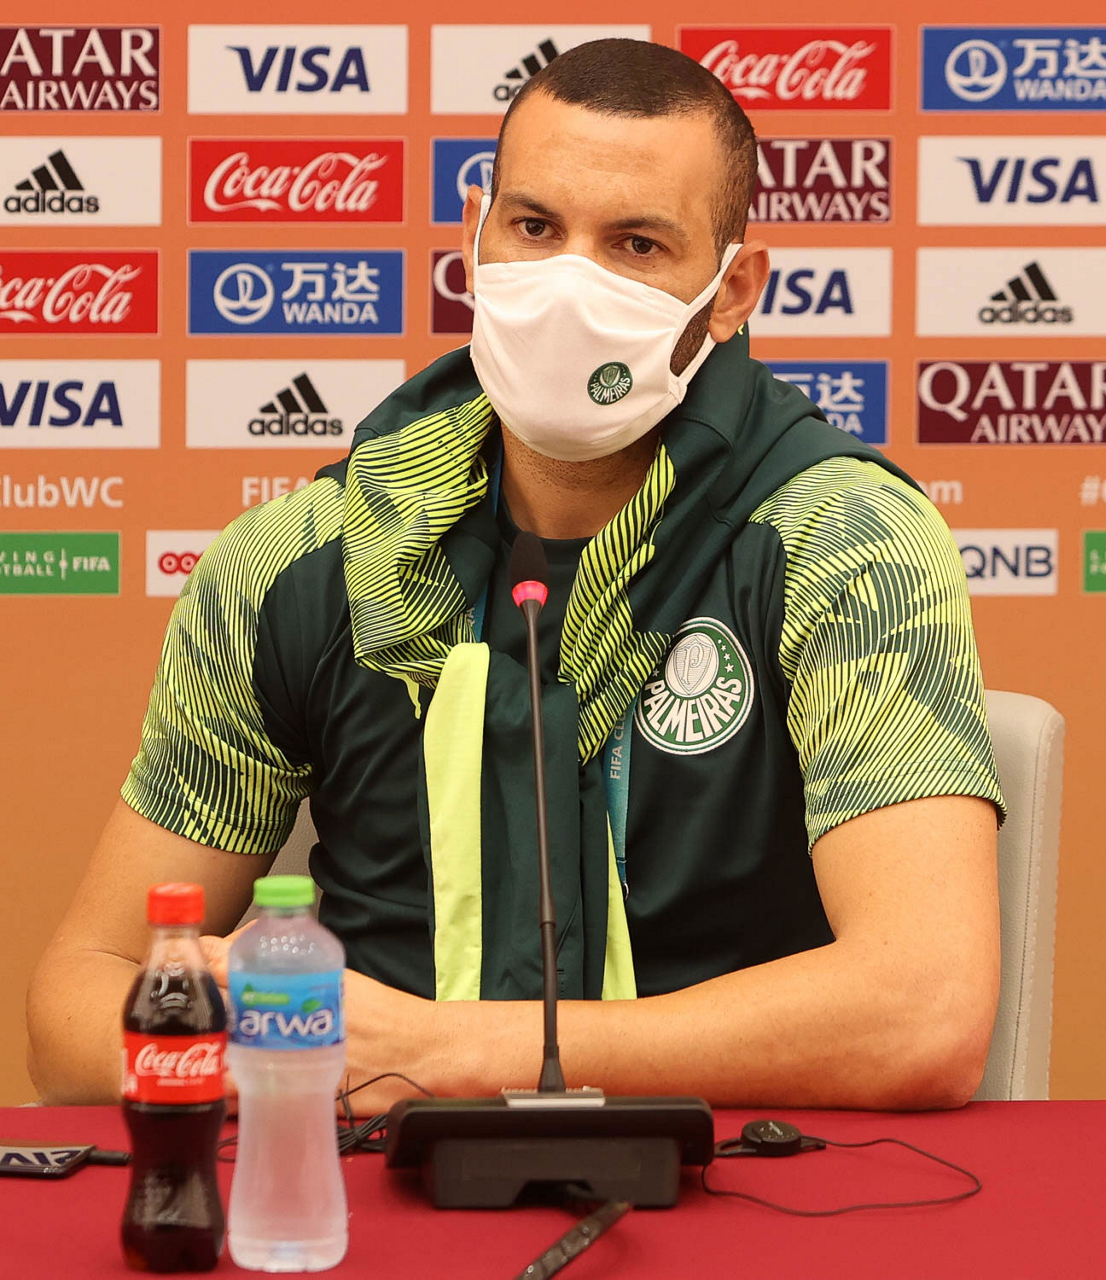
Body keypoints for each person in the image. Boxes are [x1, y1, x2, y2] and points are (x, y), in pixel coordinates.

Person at [27, 39, 1004, 1114]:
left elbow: (925, 1010)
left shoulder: (843, 541)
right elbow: (76, 1002)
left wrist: (448, 1053)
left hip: (738, 1175)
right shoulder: (301, 561)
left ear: (731, 291)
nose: (567, 285)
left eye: (635, 244)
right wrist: (284, 1052)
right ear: (474, 235)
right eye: (534, 228)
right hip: (371, 1170)